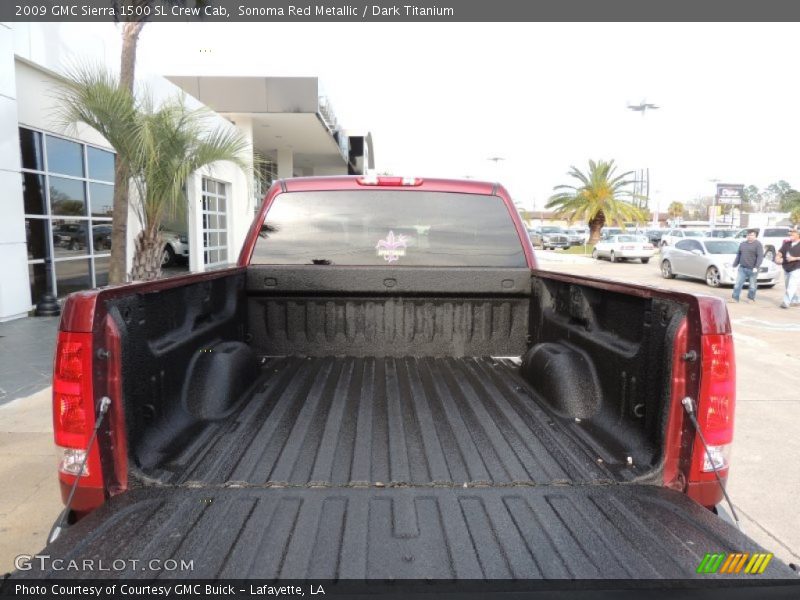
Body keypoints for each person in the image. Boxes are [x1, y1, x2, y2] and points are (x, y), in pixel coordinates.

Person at [730, 229, 764, 303]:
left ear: (755, 236)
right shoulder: (743, 244)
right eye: (748, 235)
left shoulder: (758, 244)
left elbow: (760, 257)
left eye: (752, 235)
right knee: (737, 284)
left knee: (752, 286)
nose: (749, 236)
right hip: (742, 268)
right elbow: (739, 255)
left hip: (753, 269)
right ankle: (735, 298)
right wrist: (734, 265)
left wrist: (756, 266)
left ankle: (751, 298)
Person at [775, 226, 800, 309]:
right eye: (790, 234)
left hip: (796, 268)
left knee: (791, 286)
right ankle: (796, 299)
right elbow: (780, 252)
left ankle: (786, 302)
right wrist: (777, 257)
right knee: (788, 286)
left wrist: (795, 258)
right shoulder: (787, 243)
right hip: (786, 268)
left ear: (798, 235)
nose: (791, 235)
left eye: (793, 234)